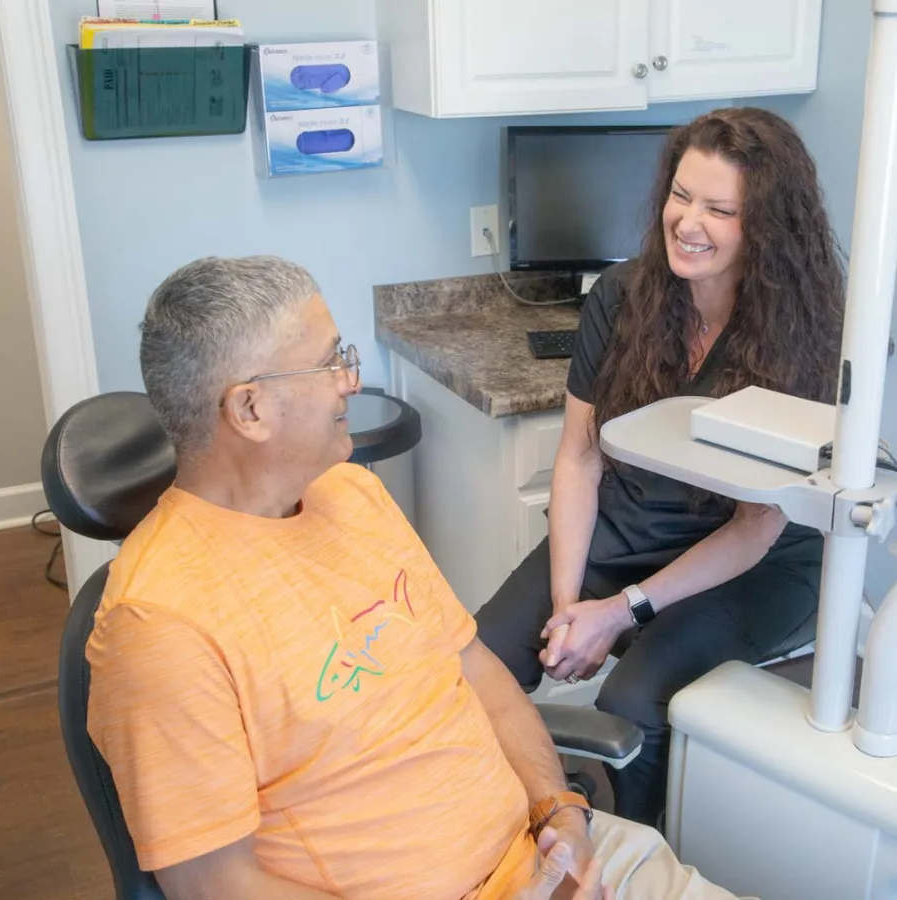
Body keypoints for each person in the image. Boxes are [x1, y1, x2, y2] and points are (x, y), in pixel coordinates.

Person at [85, 256, 745, 900]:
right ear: (249, 410)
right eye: (328, 361)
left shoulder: (350, 494)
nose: (350, 379)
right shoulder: (160, 622)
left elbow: (477, 671)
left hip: (560, 858)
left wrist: (563, 813)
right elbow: (211, 883)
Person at [475, 107, 846, 828]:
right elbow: (579, 459)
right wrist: (565, 609)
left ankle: (633, 850)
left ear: (765, 226)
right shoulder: (622, 298)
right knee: (478, 660)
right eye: (681, 196)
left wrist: (621, 612)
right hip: (631, 524)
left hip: (756, 560)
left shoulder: (808, 333)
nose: (688, 222)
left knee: (634, 705)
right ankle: (491, 831)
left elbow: (754, 529)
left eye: (720, 209)